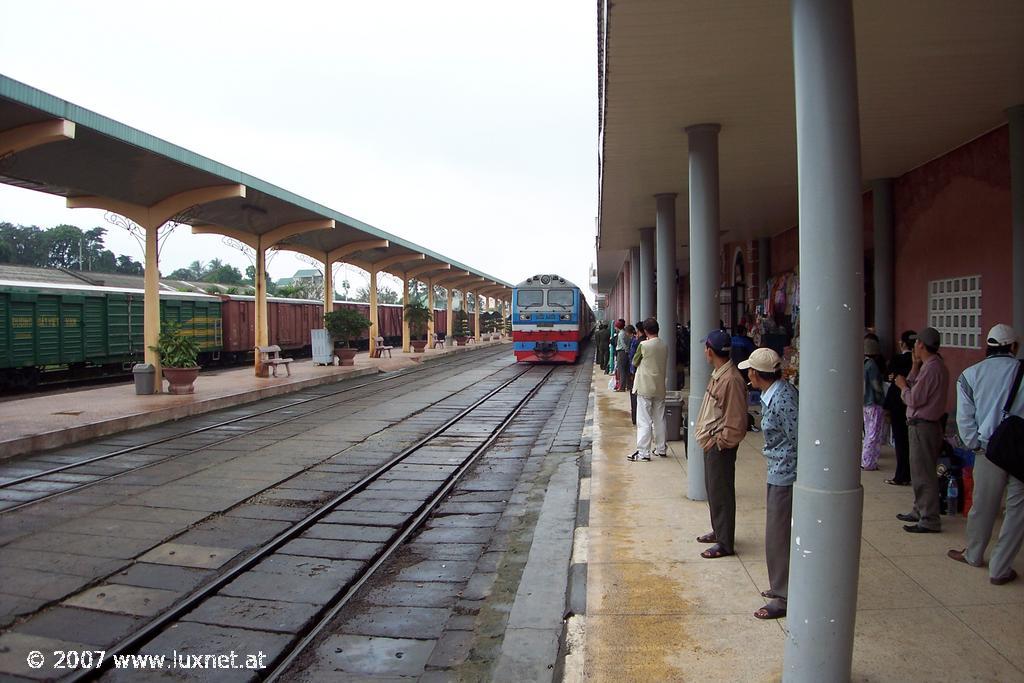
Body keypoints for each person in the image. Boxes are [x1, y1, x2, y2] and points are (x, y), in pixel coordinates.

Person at [948, 324, 1024, 585]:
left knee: (982, 506)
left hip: (989, 449)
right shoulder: (1021, 371)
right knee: (1018, 511)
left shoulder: (970, 375)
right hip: (1022, 451)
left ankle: (974, 553)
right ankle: (1000, 569)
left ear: (988, 347)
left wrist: (976, 446)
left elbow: (965, 419)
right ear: (1014, 346)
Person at [740, 348, 798, 620]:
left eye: (749, 370)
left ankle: (783, 595)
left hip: (786, 474)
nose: (747, 374)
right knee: (777, 535)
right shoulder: (772, 394)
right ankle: (780, 586)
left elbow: (798, 438)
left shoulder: (783, 399)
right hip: (777, 470)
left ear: (755, 373)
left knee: (778, 536)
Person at [694, 329, 748, 558]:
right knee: (714, 490)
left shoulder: (731, 380)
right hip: (712, 443)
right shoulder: (721, 374)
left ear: (709, 351)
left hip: (720, 447)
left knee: (722, 492)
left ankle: (725, 543)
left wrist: (720, 442)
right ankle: (719, 530)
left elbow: (736, 422)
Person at [893, 326, 949, 533]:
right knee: (919, 471)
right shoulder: (929, 366)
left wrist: (901, 387)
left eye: (916, 343)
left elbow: (914, 398)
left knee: (924, 473)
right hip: (923, 426)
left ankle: (929, 518)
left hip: (924, 426)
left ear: (921, 345)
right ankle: (919, 509)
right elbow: (914, 384)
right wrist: (914, 366)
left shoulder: (933, 368)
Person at [628, 318, 668, 462]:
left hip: (645, 386)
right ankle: (661, 448)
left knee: (644, 420)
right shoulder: (664, 344)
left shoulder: (644, 345)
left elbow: (635, 361)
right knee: (660, 418)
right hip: (659, 386)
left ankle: (643, 452)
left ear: (645, 331)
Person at [884, 330, 917, 486]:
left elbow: (890, 377)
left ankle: (901, 475)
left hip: (898, 404)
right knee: (912, 442)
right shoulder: (919, 362)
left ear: (902, 343)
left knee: (901, 441)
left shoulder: (897, 359)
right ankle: (911, 473)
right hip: (915, 406)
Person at [862, 337, 886, 471]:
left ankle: (865, 459)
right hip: (874, 403)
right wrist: (882, 397)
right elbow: (876, 385)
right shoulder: (872, 365)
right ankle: (868, 461)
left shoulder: (863, 364)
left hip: (865, 403)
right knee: (874, 433)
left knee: (868, 432)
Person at [629, 322, 646, 425]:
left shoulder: (638, 342)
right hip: (649, 376)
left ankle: (635, 418)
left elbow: (633, 359)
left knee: (635, 396)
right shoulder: (655, 343)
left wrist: (632, 371)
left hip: (637, 373)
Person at [613, 319, 628, 390]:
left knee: (621, 369)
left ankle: (621, 387)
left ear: (618, 327)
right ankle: (624, 385)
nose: (615, 327)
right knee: (623, 369)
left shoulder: (621, 334)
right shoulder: (624, 332)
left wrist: (626, 350)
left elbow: (623, 344)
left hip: (621, 352)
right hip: (623, 352)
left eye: (616, 326)